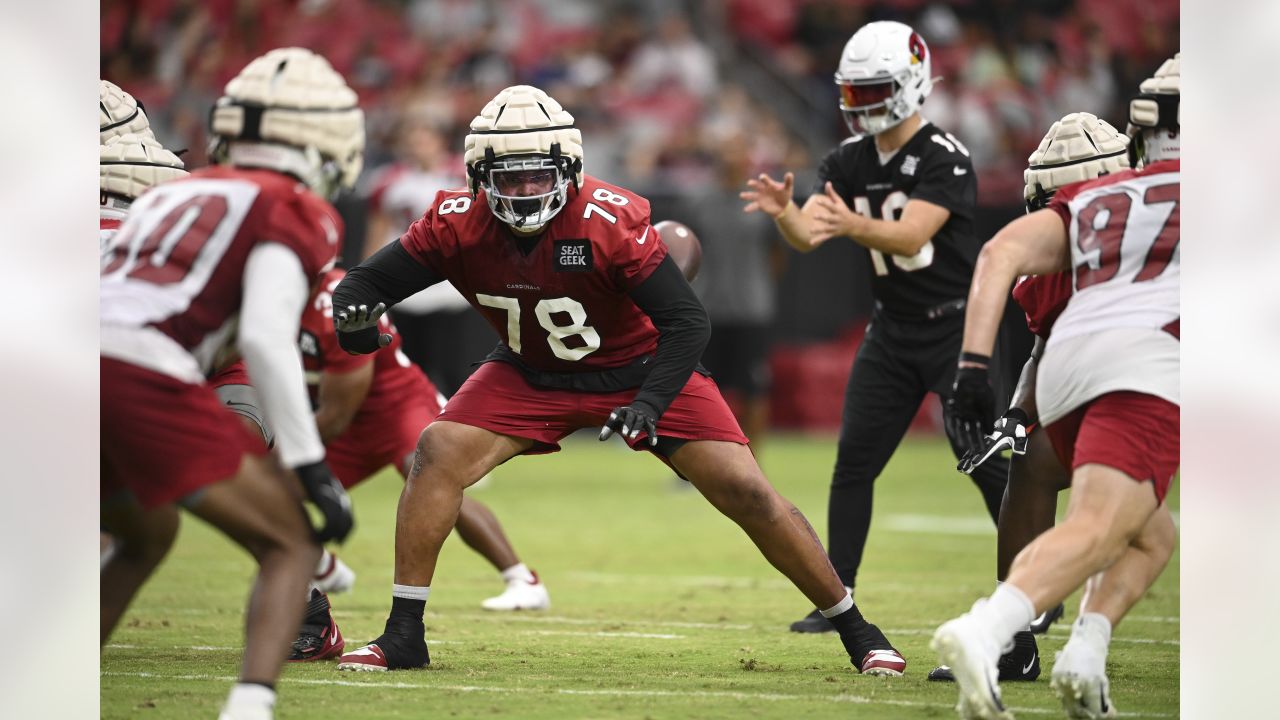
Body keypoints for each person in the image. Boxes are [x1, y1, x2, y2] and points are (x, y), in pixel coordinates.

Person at [327, 84, 905, 676]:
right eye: (511, 178)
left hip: (639, 368)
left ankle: (858, 631)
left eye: (539, 175)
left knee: (749, 492)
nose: (527, 190)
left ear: (569, 169)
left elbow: (686, 322)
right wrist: (357, 330)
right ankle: (404, 633)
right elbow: (359, 287)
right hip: (530, 370)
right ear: (480, 176)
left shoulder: (608, 219)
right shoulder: (454, 223)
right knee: (436, 450)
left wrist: (651, 402)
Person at [101, 47, 362, 720]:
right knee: (293, 545)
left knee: (146, 534)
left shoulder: (174, 190)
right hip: (134, 370)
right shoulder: (296, 207)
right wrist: (310, 471)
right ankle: (250, 707)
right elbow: (265, 340)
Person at [931, 54, 1180, 720]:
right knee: (1098, 521)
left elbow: (1009, 268)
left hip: (1095, 364)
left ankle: (1081, 653)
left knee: (1151, 533)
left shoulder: (1097, 206)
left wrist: (979, 379)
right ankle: (991, 631)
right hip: (1151, 362)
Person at [741, 20, 1011, 633]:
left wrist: (845, 223)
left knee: (986, 461)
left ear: (913, 82)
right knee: (854, 463)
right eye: (854, 92)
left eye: (873, 90)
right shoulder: (848, 159)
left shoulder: (945, 156)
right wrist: (786, 212)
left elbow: (911, 233)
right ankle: (839, 597)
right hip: (892, 329)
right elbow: (812, 233)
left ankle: (1029, 594)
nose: (861, 104)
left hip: (956, 329)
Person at [363, 113, 494, 395]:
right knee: (408, 372)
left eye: (424, 138)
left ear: (440, 141)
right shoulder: (388, 181)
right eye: (413, 138)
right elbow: (377, 233)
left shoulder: (465, 175)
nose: (418, 144)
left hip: (450, 290)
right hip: (406, 291)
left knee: (456, 371)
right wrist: (369, 281)